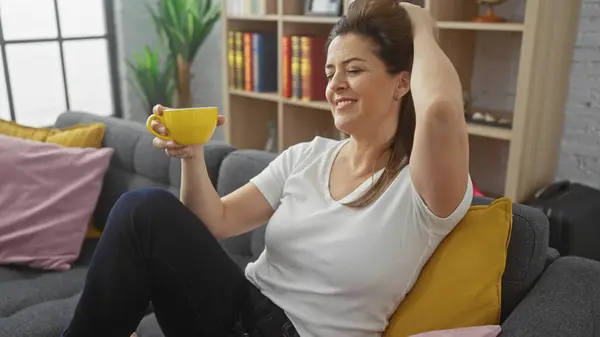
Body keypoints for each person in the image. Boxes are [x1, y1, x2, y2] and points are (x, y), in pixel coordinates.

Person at [61, 1, 472, 336]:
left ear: (403, 83)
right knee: (142, 210)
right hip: (242, 306)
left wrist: (421, 25)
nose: (335, 85)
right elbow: (214, 220)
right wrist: (191, 154)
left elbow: (439, 110)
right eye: (331, 72)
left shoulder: (422, 186)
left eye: (354, 69)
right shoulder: (307, 156)